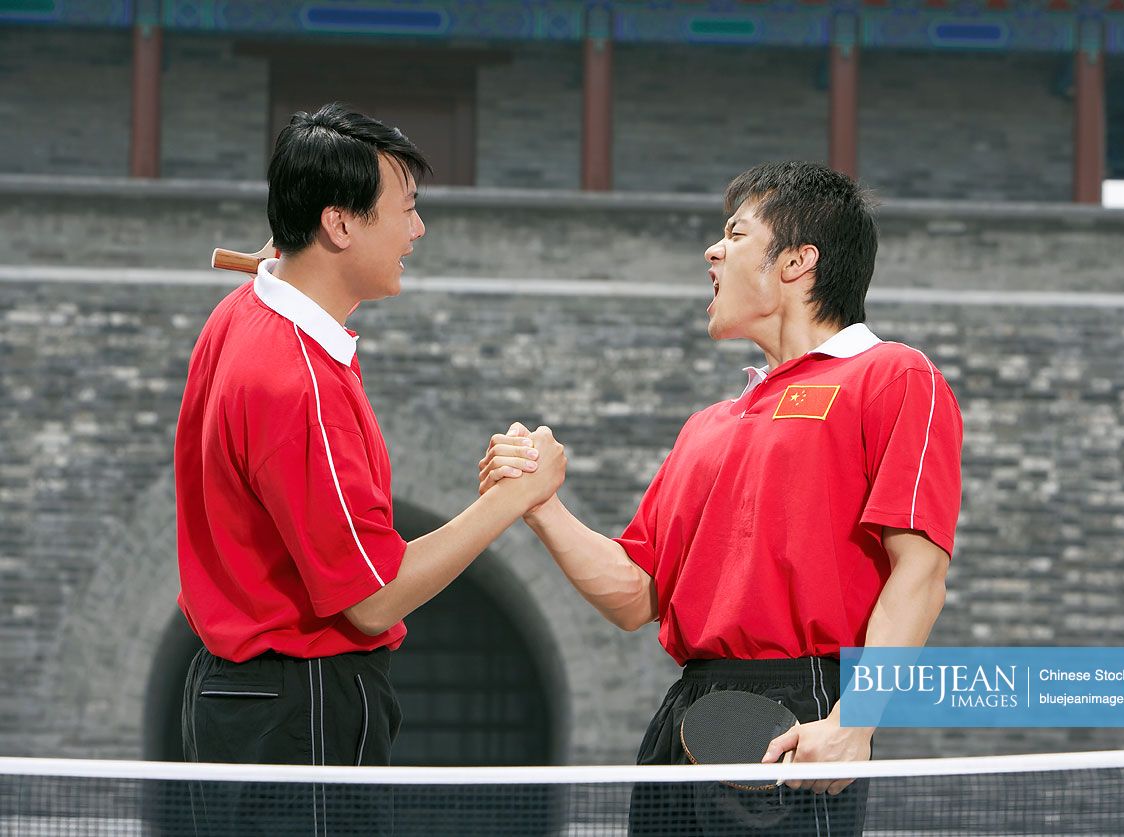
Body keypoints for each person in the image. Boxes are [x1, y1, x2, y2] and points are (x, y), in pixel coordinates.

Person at [479, 161, 962, 835]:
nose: (712, 251)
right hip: (685, 714)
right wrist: (539, 504)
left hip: (798, 713)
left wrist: (853, 720)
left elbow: (920, 570)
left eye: (734, 234)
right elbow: (634, 593)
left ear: (797, 262)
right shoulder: (708, 423)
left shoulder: (893, 375)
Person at [174, 103, 564, 832]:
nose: (416, 231)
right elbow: (373, 597)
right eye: (406, 210)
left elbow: (633, 592)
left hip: (237, 700)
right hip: (301, 708)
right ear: (339, 224)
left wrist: (855, 723)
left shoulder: (240, 313)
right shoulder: (298, 379)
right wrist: (517, 497)